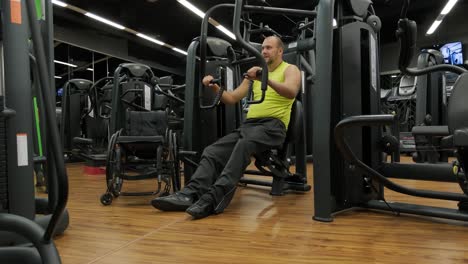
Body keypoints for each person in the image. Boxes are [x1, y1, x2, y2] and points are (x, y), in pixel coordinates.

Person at [151, 35, 301, 219]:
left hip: (273, 127)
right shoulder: (255, 73)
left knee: (244, 145)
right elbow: (232, 98)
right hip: (250, 126)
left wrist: (265, 78)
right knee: (212, 151)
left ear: (280, 51)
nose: (264, 51)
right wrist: (215, 87)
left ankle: (213, 199)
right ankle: (189, 194)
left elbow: (291, 91)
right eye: (262, 48)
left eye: (269, 48)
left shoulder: (289, 69)